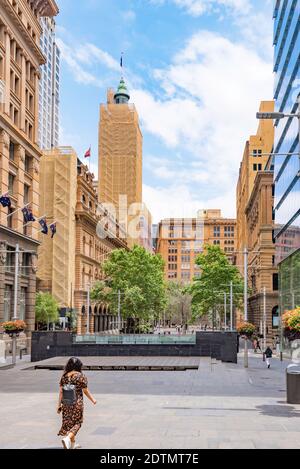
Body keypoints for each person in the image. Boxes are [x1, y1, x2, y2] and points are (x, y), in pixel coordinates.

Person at [57, 357, 97, 449]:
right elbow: (85, 391)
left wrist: (58, 405)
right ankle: (67, 438)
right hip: (77, 403)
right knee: (78, 423)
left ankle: (72, 445)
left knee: (70, 423)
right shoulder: (80, 376)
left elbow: (61, 392)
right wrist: (93, 400)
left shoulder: (64, 376)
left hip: (66, 403)